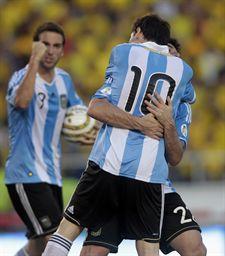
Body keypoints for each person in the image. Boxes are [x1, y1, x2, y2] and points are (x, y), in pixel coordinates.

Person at [43, 14, 196, 256]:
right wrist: (147, 124)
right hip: (149, 175)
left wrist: (157, 123)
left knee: (66, 231)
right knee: (147, 249)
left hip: (108, 164)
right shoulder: (184, 73)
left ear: (138, 32)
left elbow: (95, 107)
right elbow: (188, 94)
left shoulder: (123, 52)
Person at [79, 39, 206, 256]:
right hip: (115, 178)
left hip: (154, 184)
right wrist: (137, 123)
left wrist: (168, 123)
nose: (167, 58)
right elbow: (96, 107)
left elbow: (175, 157)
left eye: (172, 54)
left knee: (195, 248)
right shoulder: (127, 82)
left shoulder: (182, 106)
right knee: (93, 252)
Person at [5, 22, 91, 256]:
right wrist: (34, 61)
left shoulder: (64, 80)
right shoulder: (21, 77)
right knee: (55, 239)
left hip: (52, 176)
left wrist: (88, 132)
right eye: (45, 45)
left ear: (63, 50)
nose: (51, 50)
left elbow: (79, 118)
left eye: (56, 46)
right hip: (26, 174)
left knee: (37, 246)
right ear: (36, 47)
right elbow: (22, 102)